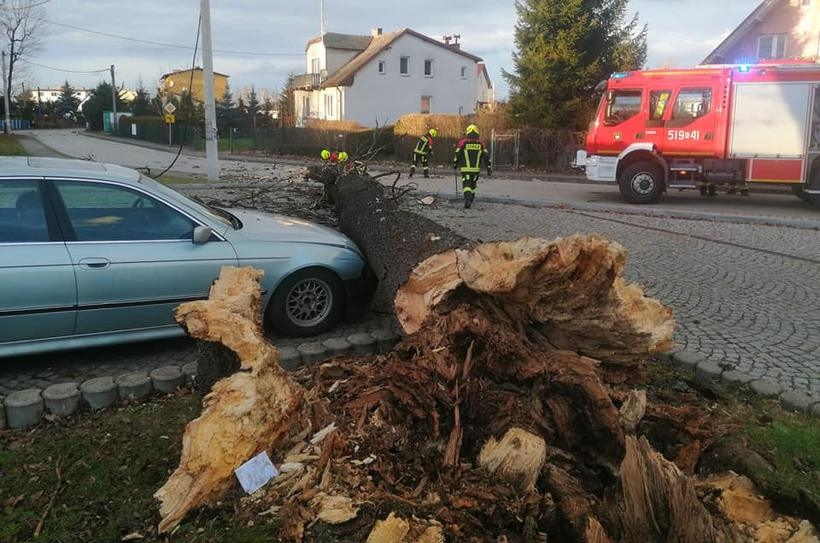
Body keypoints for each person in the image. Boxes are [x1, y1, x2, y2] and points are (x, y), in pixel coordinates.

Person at [453, 124, 492, 209]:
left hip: (465, 169)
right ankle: (471, 199)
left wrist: (455, 163)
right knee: (473, 184)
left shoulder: (463, 142)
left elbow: (457, 154)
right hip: (476, 170)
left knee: (466, 184)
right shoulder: (481, 143)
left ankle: (467, 199)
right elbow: (486, 156)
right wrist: (488, 167)